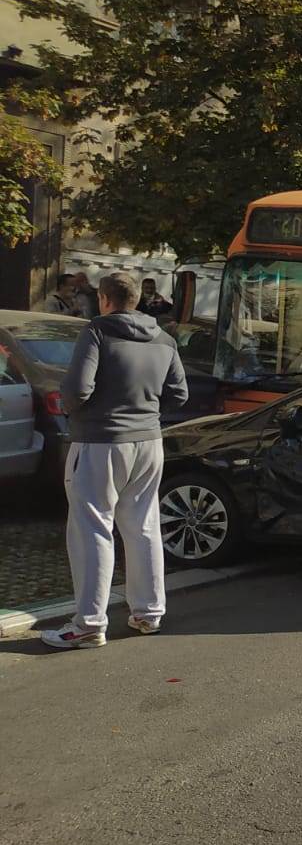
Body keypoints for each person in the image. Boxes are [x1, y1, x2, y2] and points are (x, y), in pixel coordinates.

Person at [42, 272, 188, 650]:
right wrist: (145, 411)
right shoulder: (164, 338)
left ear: (105, 299)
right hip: (148, 442)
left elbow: (76, 389)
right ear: (137, 299)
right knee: (143, 525)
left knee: (92, 527)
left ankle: (89, 623)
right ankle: (148, 612)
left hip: (99, 441)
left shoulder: (97, 331)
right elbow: (179, 394)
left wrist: (76, 413)